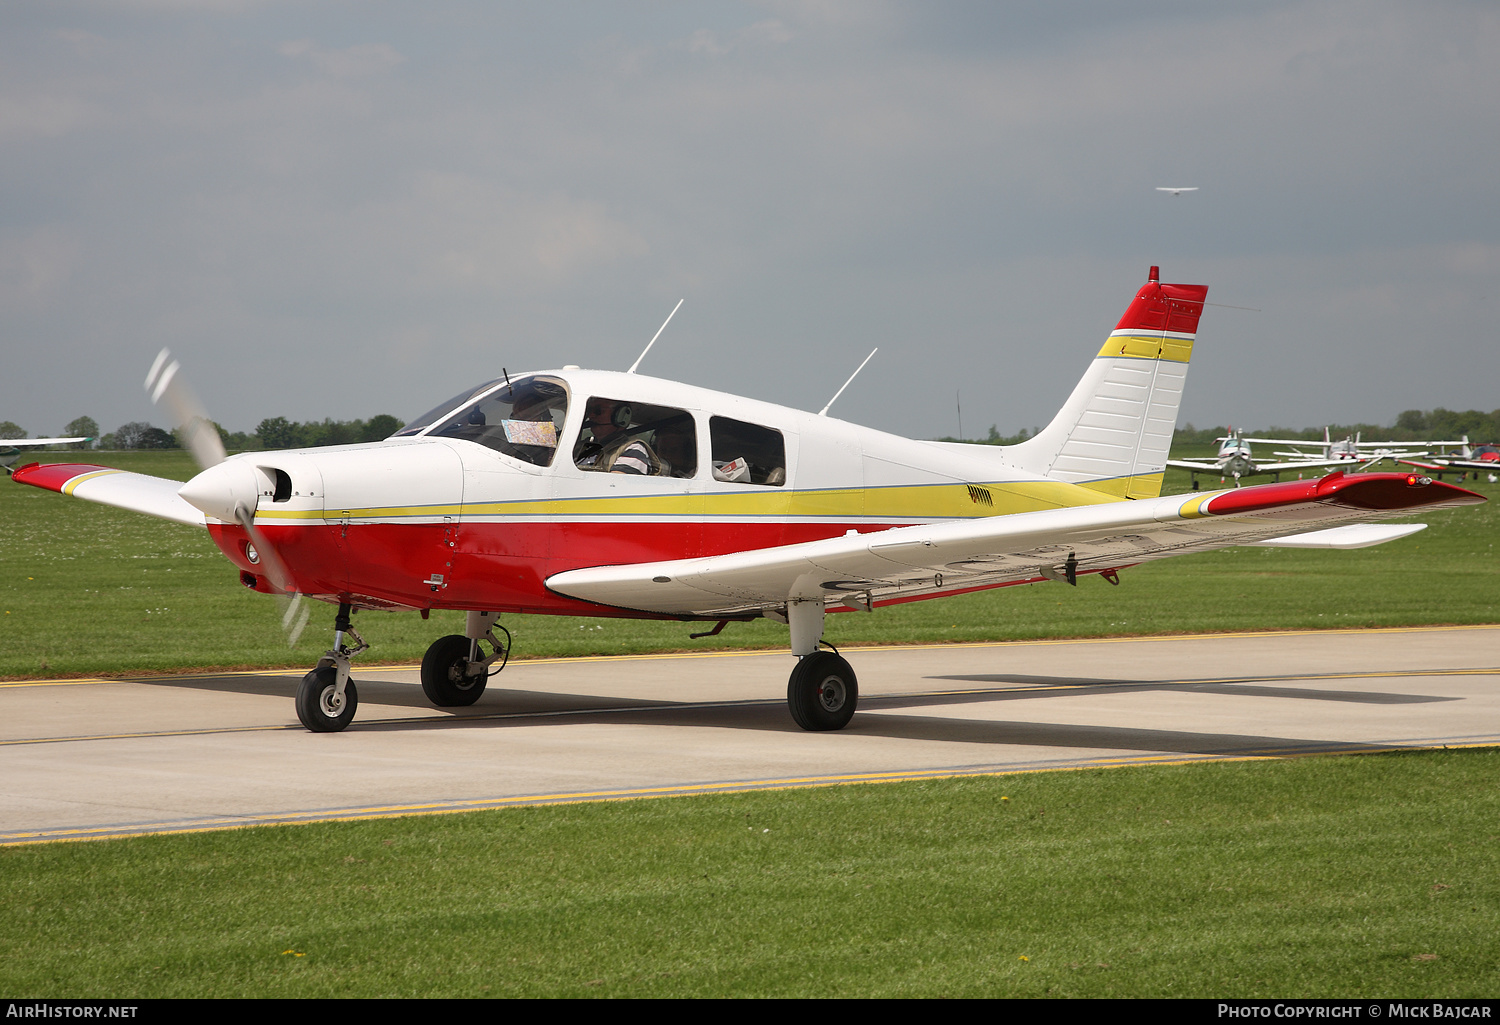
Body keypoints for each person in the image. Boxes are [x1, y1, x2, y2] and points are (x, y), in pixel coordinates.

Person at [575, 398, 657, 475]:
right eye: (590, 411)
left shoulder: (633, 449)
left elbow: (615, 486)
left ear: (621, 416)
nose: (591, 415)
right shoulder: (583, 446)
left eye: (598, 410)